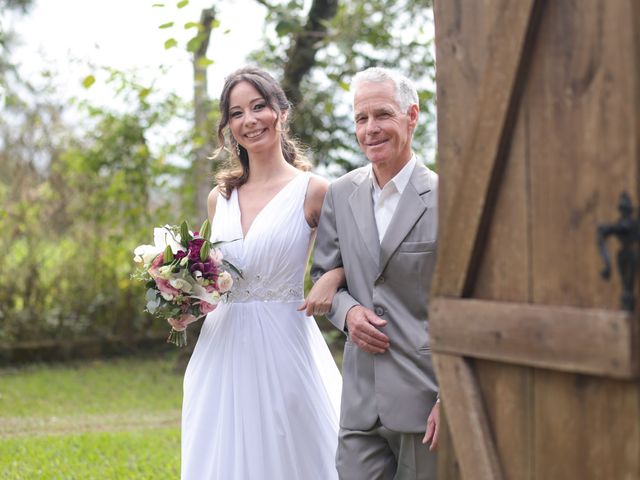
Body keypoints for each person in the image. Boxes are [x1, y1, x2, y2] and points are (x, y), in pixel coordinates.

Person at [179, 66, 344, 479]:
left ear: (281, 113)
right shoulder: (221, 198)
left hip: (285, 343)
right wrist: (187, 303)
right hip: (222, 347)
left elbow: (357, 258)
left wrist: (333, 276)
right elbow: (217, 280)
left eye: (259, 106)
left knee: (291, 451)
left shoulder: (313, 191)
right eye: (236, 113)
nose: (249, 120)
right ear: (229, 127)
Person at [312, 67, 440, 479]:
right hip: (360, 401)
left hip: (425, 402)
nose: (370, 129)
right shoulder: (340, 194)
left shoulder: (446, 198)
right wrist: (347, 313)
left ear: (412, 116)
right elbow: (326, 276)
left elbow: (462, 307)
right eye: (361, 118)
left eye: (382, 114)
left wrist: (449, 397)